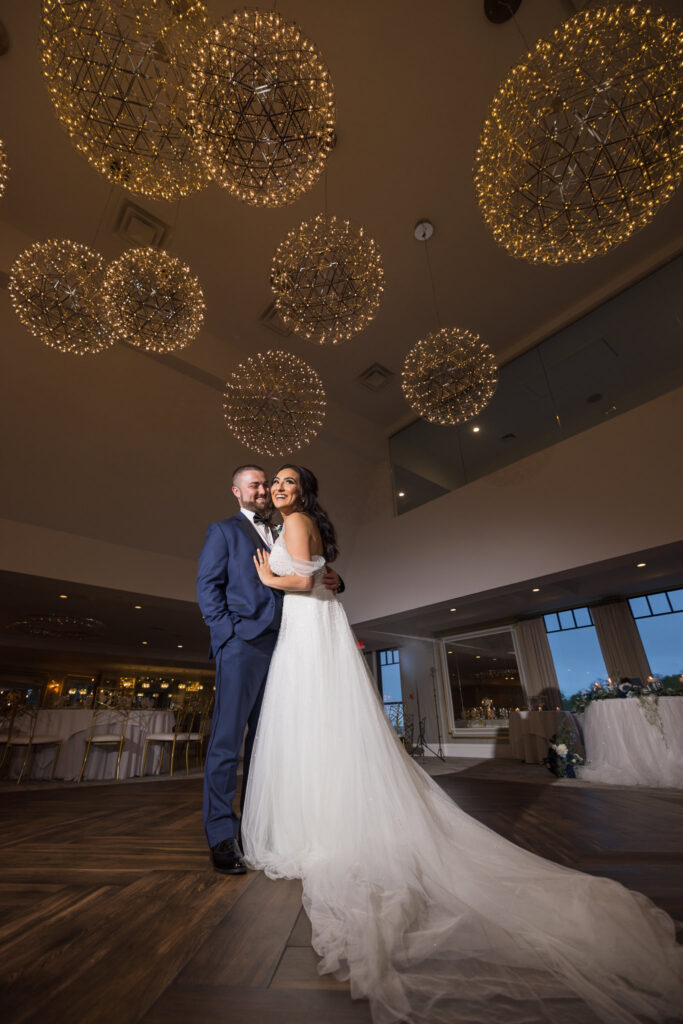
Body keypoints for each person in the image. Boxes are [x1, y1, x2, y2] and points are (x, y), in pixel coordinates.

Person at [243, 463, 683, 1024]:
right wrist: (304, 576)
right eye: (273, 483)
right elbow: (322, 574)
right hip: (307, 632)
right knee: (308, 725)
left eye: (287, 481)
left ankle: (326, 824)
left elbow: (306, 581)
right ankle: (315, 817)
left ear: (302, 491)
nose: (279, 488)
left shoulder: (298, 521)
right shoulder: (283, 527)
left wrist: (271, 579)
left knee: (319, 719)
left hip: (309, 630)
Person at [196, 464, 342, 875]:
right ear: (236, 492)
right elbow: (207, 586)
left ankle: (255, 830)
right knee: (227, 742)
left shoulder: (283, 528)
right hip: (242, 645)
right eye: (255, 484)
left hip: (286, 646)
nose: (264, 490)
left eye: (269, 483)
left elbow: (304, 567)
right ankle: (222, 834)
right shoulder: (222, 531)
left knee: (267, 744)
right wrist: (227, 636)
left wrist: (334, 579)